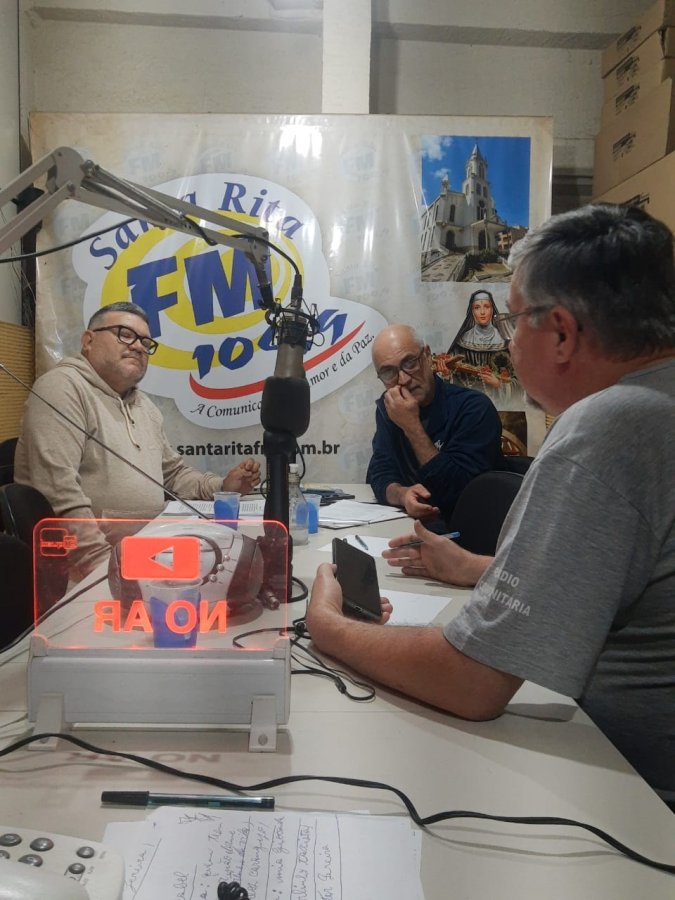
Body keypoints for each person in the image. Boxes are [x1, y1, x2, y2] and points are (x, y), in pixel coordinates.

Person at [308, 204, 675, 808]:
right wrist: (477, 568)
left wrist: (327, 625)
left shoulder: (610, 426)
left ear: (561, 333)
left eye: (513, 319)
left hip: (634, 796)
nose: (506, 338)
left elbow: (472, 682)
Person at [15, 301, 261, 579]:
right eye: (125, 334)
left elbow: (174, 474)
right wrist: (104, 571)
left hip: (147, 553)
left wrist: (223, 487)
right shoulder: (62, 388)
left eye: (145, 342)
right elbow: (59, 493)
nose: (138, 347)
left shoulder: (144, 406)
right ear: (88, 341)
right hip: (86, 573)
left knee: (239, 573)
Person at [366, 324, 503, 524]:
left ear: (427, 356)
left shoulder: (473, 408)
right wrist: (403, 495)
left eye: (410, 362)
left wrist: (412, 427)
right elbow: (380, 473)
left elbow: (458, 493)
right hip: (409, 525)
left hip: (467, 530)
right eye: (388, 372)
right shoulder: (390, 407)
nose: (403, 379)